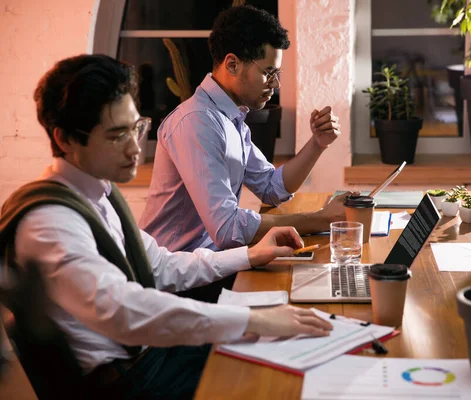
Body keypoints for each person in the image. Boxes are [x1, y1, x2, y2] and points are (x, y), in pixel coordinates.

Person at [0, 54, 333, 400]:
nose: (134, 148)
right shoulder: (50, 223)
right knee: (278, 382)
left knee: (290, 352)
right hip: (132, 383)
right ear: (66, 139)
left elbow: (160, 264)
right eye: (116, 135)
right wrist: (254, 320)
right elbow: (124, 310)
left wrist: (248, 255)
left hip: (154, 358)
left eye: (136, 128)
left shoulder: (97, 192)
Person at [139, 5, 348, 252]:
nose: (276, 84)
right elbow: (228, 229)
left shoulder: (231, 119)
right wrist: (322, 218)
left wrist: (317, 143)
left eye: (277, 73)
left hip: (208, 264)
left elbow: (272, 189)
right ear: (232, 65)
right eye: (268, 73)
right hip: (176, 275)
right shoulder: (197, 123)